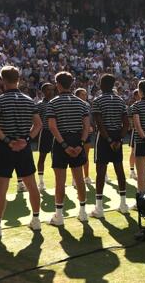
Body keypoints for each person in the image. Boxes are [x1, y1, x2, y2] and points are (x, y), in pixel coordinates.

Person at [0, 66, 42, 238]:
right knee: (32, 185)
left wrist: (9, 141)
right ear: (19, 79)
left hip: (5, 148)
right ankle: (36, 220)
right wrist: (25, 140)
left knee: (2, 188)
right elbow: (38, 125)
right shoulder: (28, 100)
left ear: (2, 80)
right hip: (24, 147)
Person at [47, 71, 91, 226]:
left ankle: (59, 216)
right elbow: (86, 127)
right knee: (79, 179)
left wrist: (64, 145)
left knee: (60, 181)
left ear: (58, 84)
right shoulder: (82, 104)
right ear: (71, 84)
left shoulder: (53, 103)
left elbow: (52, 127)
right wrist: (80, 144)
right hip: (77, 140)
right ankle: (83, 212)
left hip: (61, 143)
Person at [89, 74, 129, 219]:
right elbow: (126, 124)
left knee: (101, 171)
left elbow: (99, 123)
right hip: (117, 136)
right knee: (119, 170)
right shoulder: (120, 100)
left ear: (101, 84)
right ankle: (123, 205)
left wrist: (110, 140)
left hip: (104, 138)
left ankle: (99, 208)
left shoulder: (98, 100)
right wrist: (118, 139)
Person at [35, 82, 55, 192]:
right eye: (48, 89)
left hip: (56, 133)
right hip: (45, 133)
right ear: (43, 92)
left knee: (56, 157)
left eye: (52, 89)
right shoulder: (39, 105)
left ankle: (58, 180)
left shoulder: (56, 103)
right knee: (42, 157)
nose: (51, 92)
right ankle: (41, 182)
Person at [75, 88, 95, 186]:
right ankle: (76, 179)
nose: (85, 96)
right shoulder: (73, 104)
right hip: (76, 133)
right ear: (77, 95)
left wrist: (90, 126)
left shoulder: (87, 104)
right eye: (82, 94)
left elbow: (89, 118)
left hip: (86, 134)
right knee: (75, 156)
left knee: (85, 156)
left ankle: (86, 177)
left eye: (85, 94)